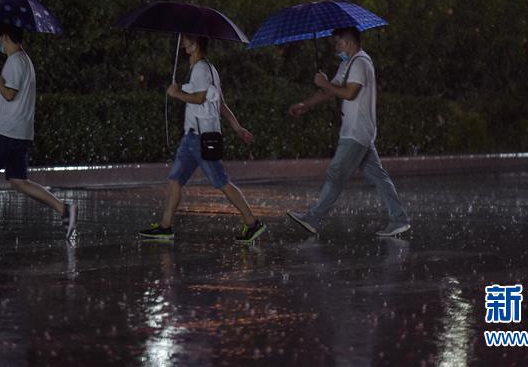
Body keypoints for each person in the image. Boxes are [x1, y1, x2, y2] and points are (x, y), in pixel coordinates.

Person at [139, 34, 266, 243]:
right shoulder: (209, 69)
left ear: (195, 44)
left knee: (221, 182)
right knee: (174, 180)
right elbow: (221, 103)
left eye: (187, 40)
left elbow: (199, 98)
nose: (183, 43)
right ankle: (165, 227)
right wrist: (236, 126)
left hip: (200, 137)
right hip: (193, 137)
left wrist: (176, 93)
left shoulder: (200, 69)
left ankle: (252, 223)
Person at [286, 27, 410, 237]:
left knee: (336, 173)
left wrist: (326, 84)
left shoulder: (361, 62)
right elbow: (330, 89)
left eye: (339, 43)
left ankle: (313, 218)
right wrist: (305, 104)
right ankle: (399, 219)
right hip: (358, 131)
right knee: (378, 177)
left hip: (356, 131)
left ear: (350, 43)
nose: (336, 48)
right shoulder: (348, 63)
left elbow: (350, 93)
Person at [0, 23, 77, 241]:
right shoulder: (25, 61)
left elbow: (9, 94)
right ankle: (64, 209)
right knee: (18, 181)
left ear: (5, 36)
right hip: (21, 131)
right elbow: (11, 101)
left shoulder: (14, 63)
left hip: (7, 131)